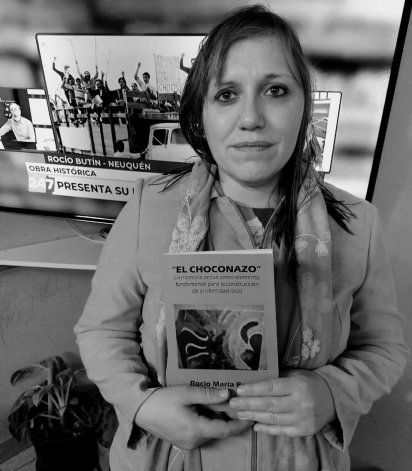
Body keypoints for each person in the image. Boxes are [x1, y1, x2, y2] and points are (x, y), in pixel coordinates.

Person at [74, 5, 408, 471]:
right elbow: (101, 330)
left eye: (275, 90)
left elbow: (385, 348)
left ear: (304, 105)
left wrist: (332, 393)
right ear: (201, 112)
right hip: (168, 457)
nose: (251, 118)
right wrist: (144, 404)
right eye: (227, 94)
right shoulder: (149, 209)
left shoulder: (357, 224)